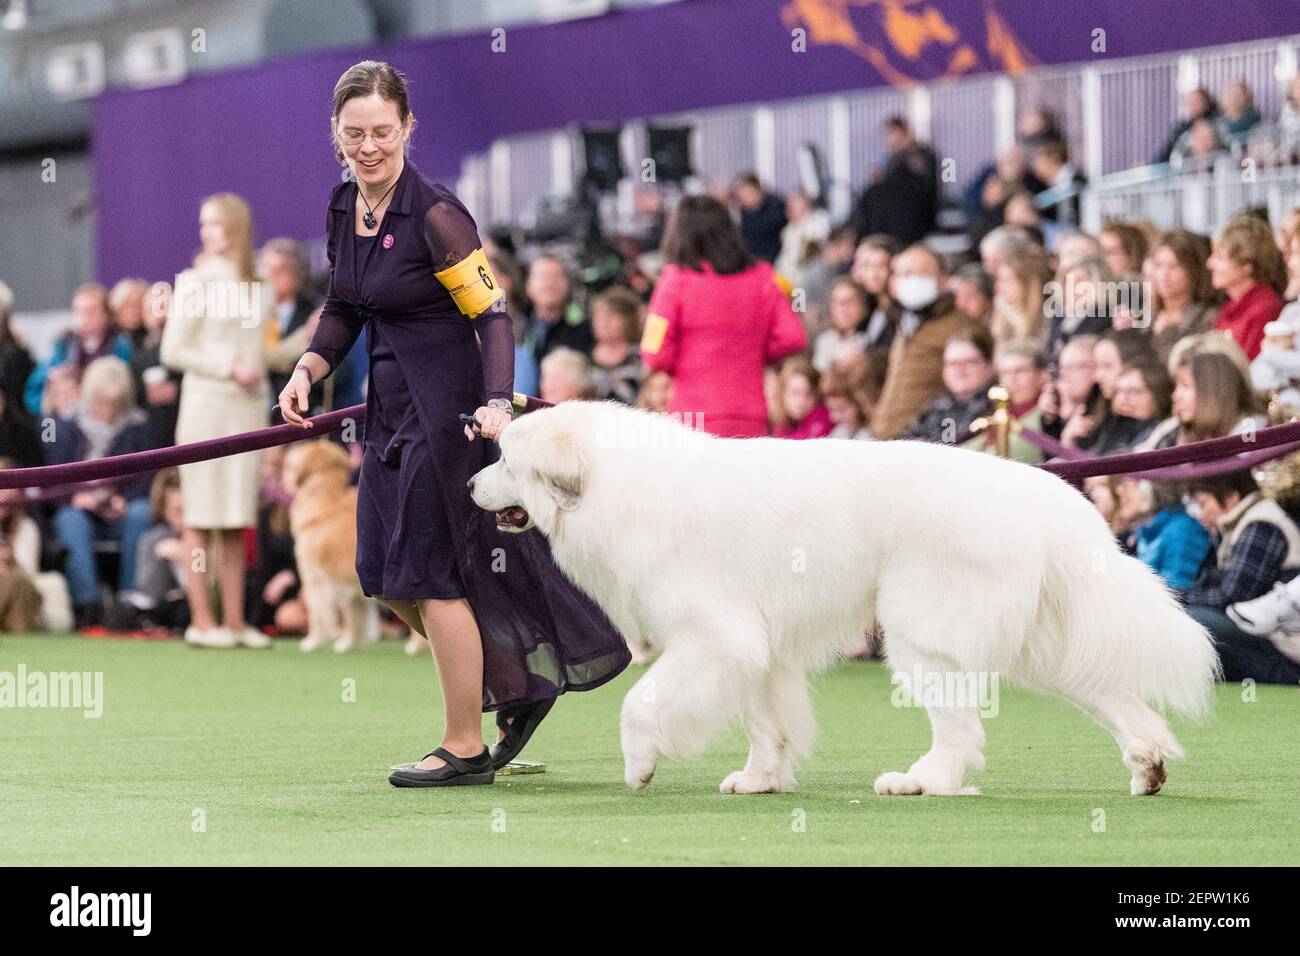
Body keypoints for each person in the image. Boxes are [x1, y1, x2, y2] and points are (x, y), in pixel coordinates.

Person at [280, 60, 629, 787]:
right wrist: (307, 369)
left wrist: (498, 403)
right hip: (388, 410)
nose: (368, 147)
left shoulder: (438, 214)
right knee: (382, 573)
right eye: (354, 135)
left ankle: (464, 745)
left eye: (382, 131)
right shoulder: (344, 206)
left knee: (431, 576)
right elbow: (344, 306)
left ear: (408, 127)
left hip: (449, 418)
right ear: (335, 137)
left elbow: (493, 314)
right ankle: (515, 679)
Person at [161, 192, 272, 649]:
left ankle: (234, 622)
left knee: (235, 519)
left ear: (236, 226)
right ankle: (202, 622)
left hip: (246, 410)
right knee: (201, 518)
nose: (206, 232)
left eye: (215, 223)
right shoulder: (194, 281)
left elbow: (261, 355)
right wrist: (229, 366)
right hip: (206, 410)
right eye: (203, 224)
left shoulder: (260, 282)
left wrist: (303, 344)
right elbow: (174, 351)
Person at [640, 194, 806, 437]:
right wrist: (754, 353)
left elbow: (653, 354)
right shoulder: (762, 278)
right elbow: (793, 337)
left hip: (693, 418)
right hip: (750, 417)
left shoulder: (674, 281)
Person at [44, 356, 157, 629]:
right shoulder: (65, 427)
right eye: (101, 402)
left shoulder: (139, 428)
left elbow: (149, 477)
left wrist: (122, 501)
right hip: (81, 510)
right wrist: (77, 497)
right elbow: (51, 479)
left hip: (122, 511)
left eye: (114, 404)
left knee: (141, 512)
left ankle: (130, 602)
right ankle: (88, 604)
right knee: (70, 520)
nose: (107, 410)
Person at [1183, 470, 1300, 684]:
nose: (1200, 514)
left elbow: (1231, 598)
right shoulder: (1242, 523)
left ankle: (1284, 676)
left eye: (1203, 503)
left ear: (1231, 497)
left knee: (1193, 620)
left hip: (1282, 647)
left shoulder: (1261, 524)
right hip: (1265, 635)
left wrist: (1174, 597)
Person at [870, 244, 980, 440]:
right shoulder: (905, 323)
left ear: (943, 279)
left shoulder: (961, 325)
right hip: (886, 440)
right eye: (905, 273)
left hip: (924, 442)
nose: (913, 279)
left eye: (922, 271)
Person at [850, 115, 938, 246]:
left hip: (915, 212)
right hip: (893, 212)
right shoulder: (891, 159)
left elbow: (921, 185)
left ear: (906, 133)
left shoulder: (921, 154)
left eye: (893, 133)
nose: (889, 139)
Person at [1210, 214, 1287, 360]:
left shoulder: (1264, 309)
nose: (1210, 263)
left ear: (1247, 265)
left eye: (1219, 258)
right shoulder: (1231, 306)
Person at [903, 326, 996, 444]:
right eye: (952, 363)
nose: (959, 370)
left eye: (969, 362)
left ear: (989, 366)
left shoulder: (994, 407)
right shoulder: (936, 408)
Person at [1148, 229, 1220, 362]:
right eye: (1158, 266)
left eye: (1174, 266)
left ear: (1193, 270)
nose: (1164, 274)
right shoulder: (1146, 316)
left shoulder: (1208, 318)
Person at [587, 286, 645, 405]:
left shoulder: (642, 358)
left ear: (629, 320)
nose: (604, 321)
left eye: (612, 315)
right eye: (599, 315)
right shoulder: (583, 357)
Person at [734, 172, 787, 264]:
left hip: (774, 260)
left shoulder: (775, 207)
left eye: (748, 195)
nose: (745, 201)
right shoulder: (743, 212)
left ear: (758, 190)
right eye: (741, 198)